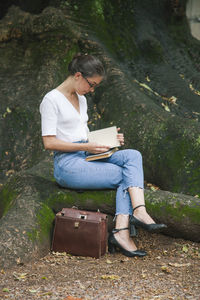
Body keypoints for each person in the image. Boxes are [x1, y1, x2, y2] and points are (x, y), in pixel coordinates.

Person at [40, 53, 166, 258]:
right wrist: (87, 146)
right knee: (123, 175)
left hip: (86, 153)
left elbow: (80, 135)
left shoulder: (81, 100)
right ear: (78, 75)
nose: (92, 90)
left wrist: (108, 140)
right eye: (91, 84)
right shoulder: (51, 100)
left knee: (132, 156)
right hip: (68, 164)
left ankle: (139, 211)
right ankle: (122, 232)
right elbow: (49, 142)